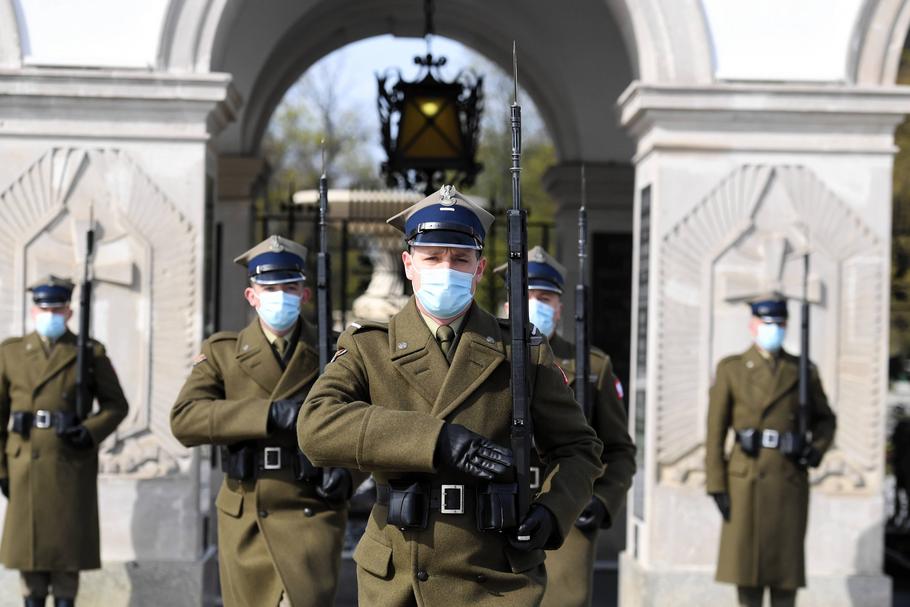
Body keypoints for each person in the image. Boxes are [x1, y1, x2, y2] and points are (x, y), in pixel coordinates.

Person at [297, 185, 604, 606]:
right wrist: (436, 440)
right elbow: (316, 427)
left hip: (493, 575)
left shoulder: (522, 351)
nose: (447, 268)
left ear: (479, 269)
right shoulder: (369, 346)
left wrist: (553, 511)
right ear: (408, 264)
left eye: (460, 259)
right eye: (432, 257)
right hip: (399, 575)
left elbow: (579, 448)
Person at [170, 235, 355, 607]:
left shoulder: (335, 351)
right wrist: (267, 415)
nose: (280, 296)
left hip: (311, 508)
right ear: (251, 296)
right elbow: (185, 419)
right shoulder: (223, 352)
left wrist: (351, 476)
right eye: (269, 287)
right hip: (248, 512)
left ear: (305, 294)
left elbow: (362, 424)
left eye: (289, 287)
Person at [496, 246, 636, 607]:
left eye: (544, 298)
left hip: (564, 515)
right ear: (508, 304)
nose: (535, 305)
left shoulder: (591, 366)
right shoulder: (485, 355)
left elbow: (619, 450)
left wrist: (602, 500)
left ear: (559, 307)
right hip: (497, 513)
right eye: (525, 297)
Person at [0, 275, 129, 607]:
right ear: (33, 312)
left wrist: (89, 431)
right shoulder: (11, 353)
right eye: (45, 309)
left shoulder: (89, 352)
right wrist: (1, 468)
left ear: (69, 313)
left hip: (69, 462)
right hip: (24, 462)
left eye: (57, 309)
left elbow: (117, 405)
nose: (51, 315)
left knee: (66, 559)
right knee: (29, 559)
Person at [705, 296, 837, 607]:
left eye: (779, 324)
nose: (773, 330)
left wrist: (815, 449)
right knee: (747, 577)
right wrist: (716, 484)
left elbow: (826, 420)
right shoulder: (732, 369)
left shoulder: (801, 370)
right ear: (752, 326)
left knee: (784, 578)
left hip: (787, 478)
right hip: (745, 479)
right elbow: (715, 432)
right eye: (767, 324)